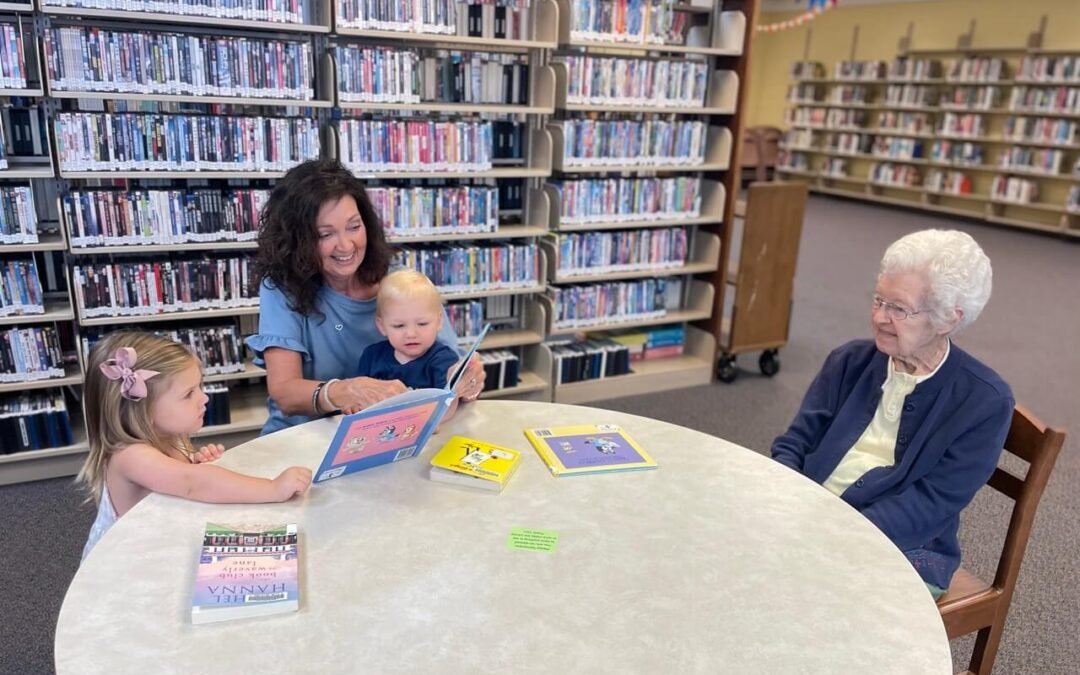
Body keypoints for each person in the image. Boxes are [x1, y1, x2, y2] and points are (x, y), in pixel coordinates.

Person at [770, 229, 1013, 599]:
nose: (880, 317)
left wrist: (831, 534)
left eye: (898, 308)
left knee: (799, 595)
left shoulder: (984, 402)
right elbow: (796, 442)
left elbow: (931, 503)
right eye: (878, 300)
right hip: (810, 514)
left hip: (904, 548)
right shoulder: (849, 360)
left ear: (948, 318)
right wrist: (783, 496)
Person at [246, 159, 486, 435]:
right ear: (298, 240)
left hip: (385, 436)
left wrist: (467, 380)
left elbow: (448, 372)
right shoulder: (281, 288)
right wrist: (343, 391)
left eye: (354, 226)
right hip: (304, 438)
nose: (346, 245)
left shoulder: (398, 282)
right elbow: (285, 393)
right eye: (325, 234)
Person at [77, 332, 312, 560]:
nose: (204, 398)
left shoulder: (169, 435)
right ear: (143, 410)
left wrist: (194, 461)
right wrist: (272, 488)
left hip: (163, 539)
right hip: (128, 559)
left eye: (199, 387)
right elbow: (193, 484)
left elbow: (180, 479)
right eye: (189, 394)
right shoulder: (131, 456)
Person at [355, 269, 460, 391]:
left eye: (422, 324)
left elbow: (449, 402)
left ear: (439, 321)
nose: (411, 334)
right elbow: (359, 399)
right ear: (382, 326)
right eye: (399, 326)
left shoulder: (444, 361)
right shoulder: (371, 357)